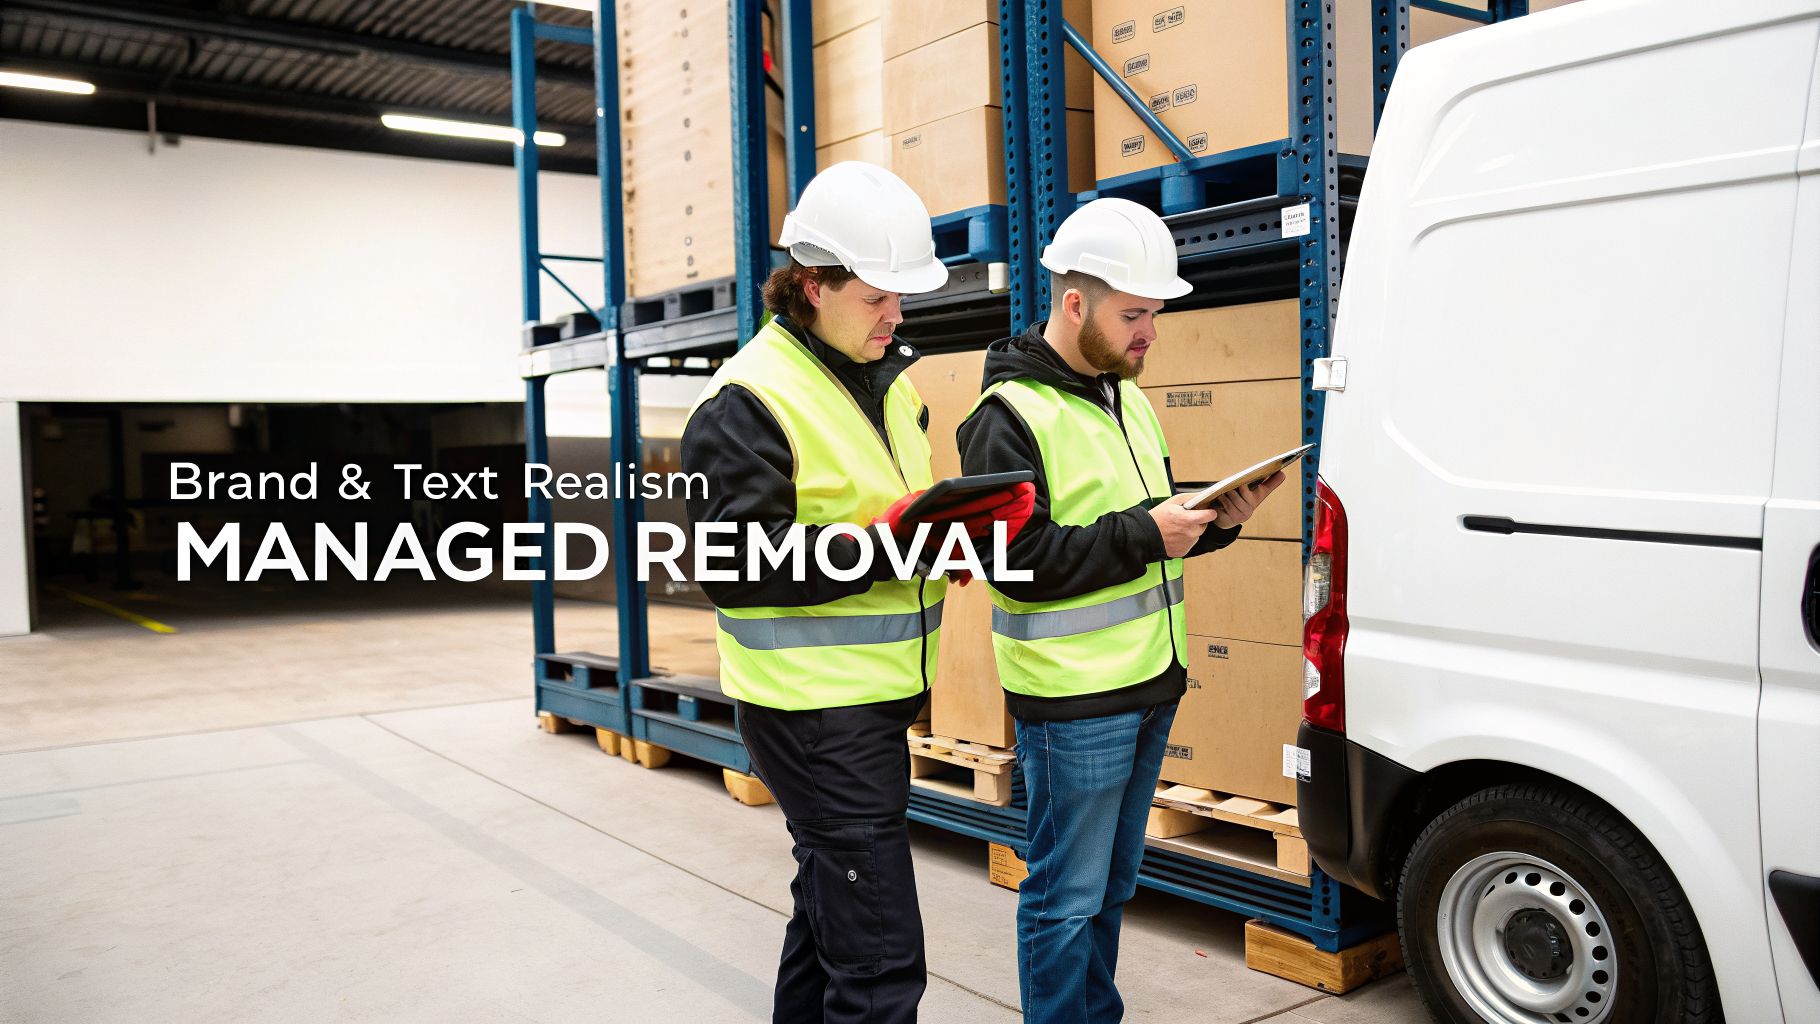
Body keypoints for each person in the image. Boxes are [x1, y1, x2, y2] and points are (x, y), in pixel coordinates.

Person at [681, 161, 1031, 1024]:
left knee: (829, 917)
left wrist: (941, 542)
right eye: (878, 297)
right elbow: (733, 565)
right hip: (811, 714)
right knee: (877, 964)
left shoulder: (890, 386)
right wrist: (887, 548)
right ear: (812, 284)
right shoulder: (745, 403)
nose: (896, 316)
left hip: (871, 702)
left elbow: (879, 516)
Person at [956, 197, 1285, 1022]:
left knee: (1109, 888)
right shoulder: (1005, 419)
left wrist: (1215, 523)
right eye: (1134, 314)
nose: (1150, 333)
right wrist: (1148, 530)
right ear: (1076, 304)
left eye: (1155, 314)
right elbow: (1013, 563)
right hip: (1072, 704)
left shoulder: (1124, 397)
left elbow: (1144, 533)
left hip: (1147, 685)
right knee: (1065, 897)